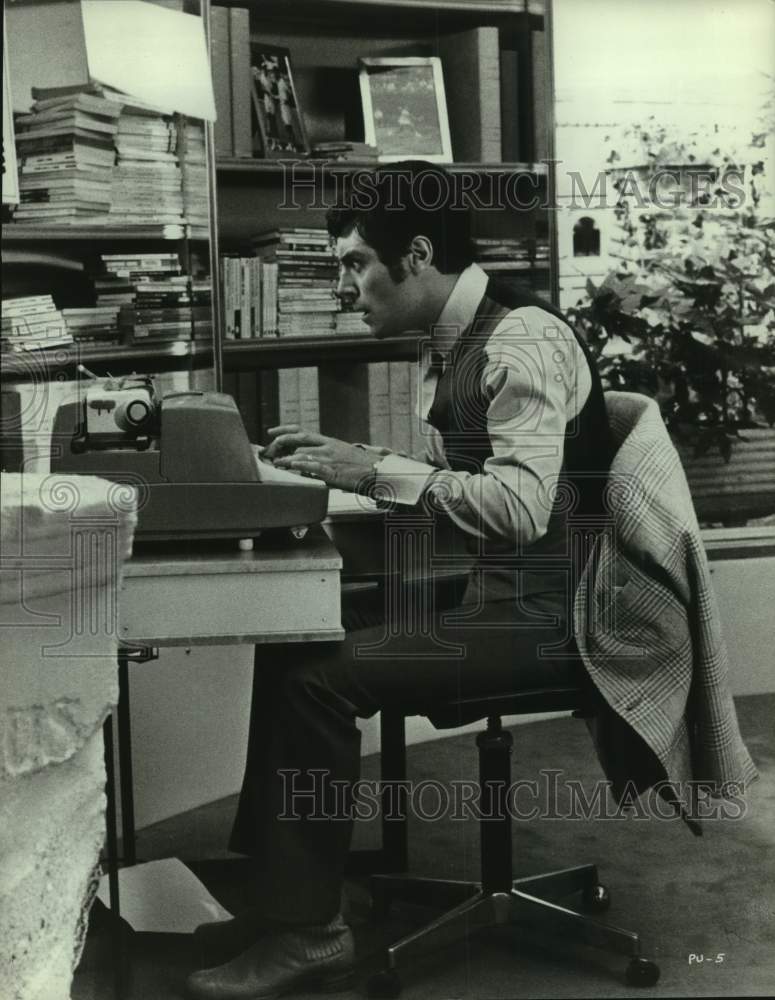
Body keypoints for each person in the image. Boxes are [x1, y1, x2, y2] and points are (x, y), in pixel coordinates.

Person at [185, 161, 616, 1000]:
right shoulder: (461, 337)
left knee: (318, 678)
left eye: (353, 264)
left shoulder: (521, 339)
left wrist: (370, 468)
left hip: (559, 612)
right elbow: (467, 480)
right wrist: (349, 469)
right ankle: (293, 895)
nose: (347, 286)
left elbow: (521, 510)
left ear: (416, 253)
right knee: (295, 626)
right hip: (501, 592)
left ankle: (309, 931)